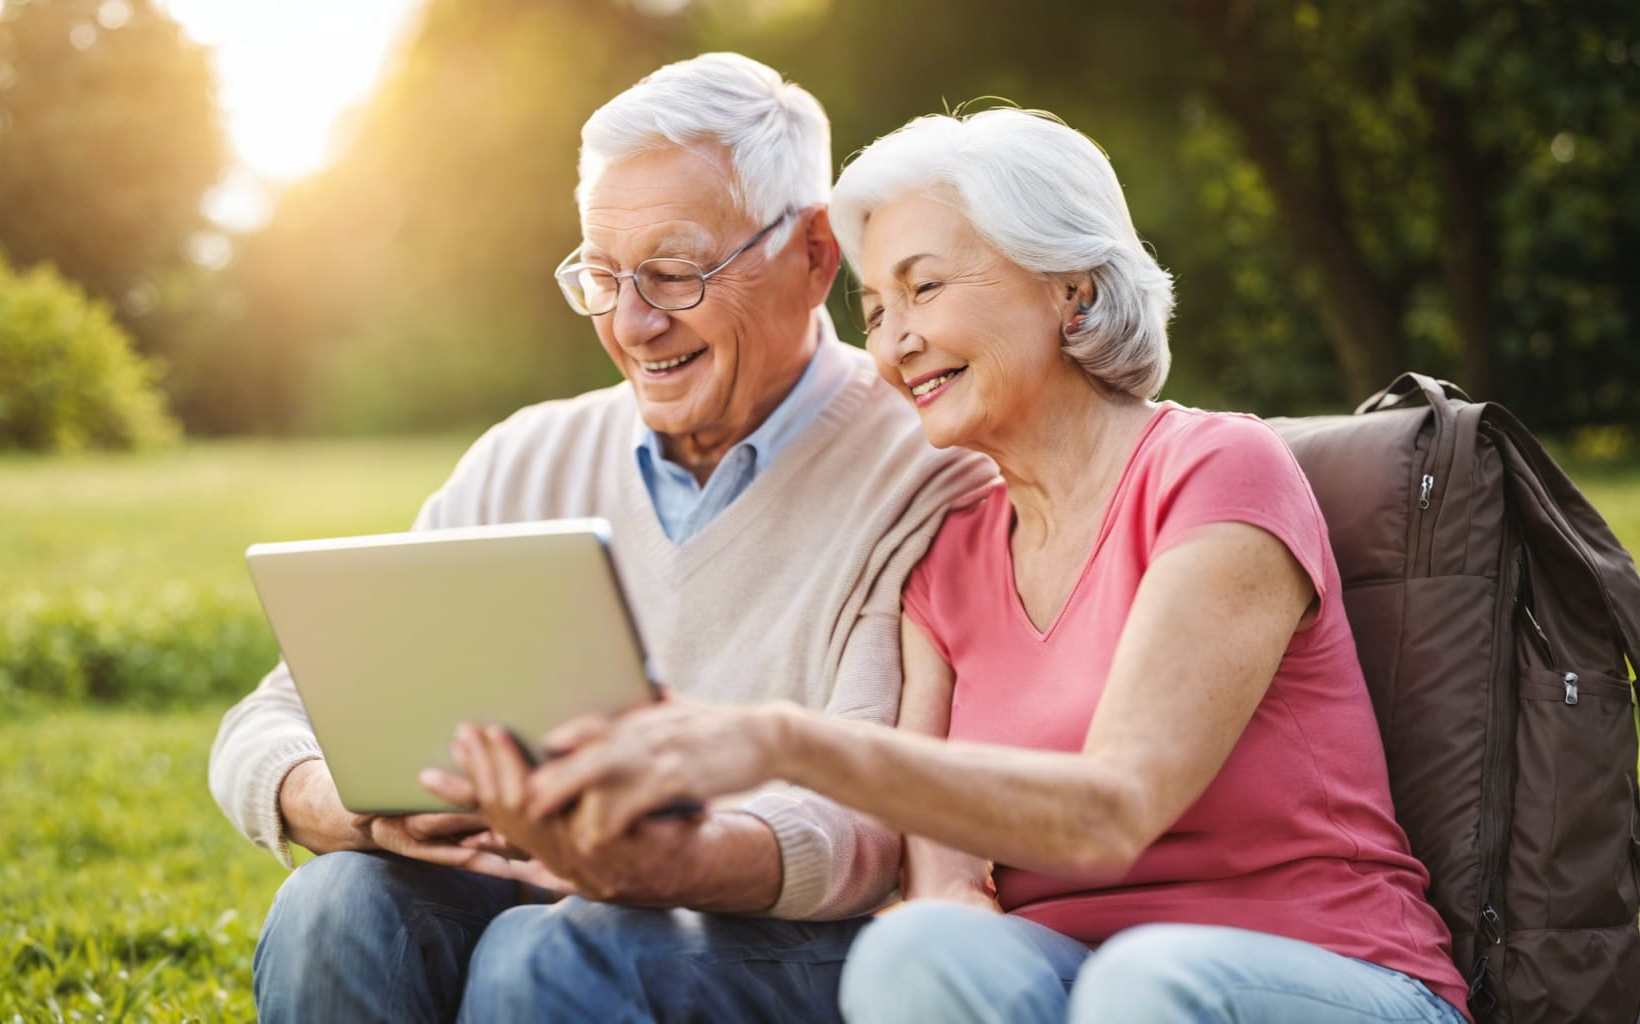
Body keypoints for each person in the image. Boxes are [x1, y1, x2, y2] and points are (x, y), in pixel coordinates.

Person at [496, 108, 1473, 1022]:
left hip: (1327, 973)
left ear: (1071, 292)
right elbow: (948, 884)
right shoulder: (949, 556)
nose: (892, 343)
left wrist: (780, 741)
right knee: (910, 950)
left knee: (1144, 981)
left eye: (923, 288)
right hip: (1071, 986)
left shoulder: (1214, 472)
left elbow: (1112, 809)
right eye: (874, 309)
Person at [206, 54, 997, 1023]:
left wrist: (670, 859)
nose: (631, 321)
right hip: (545, 900)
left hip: (791, 941)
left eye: (673, 272)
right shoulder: (524, 457)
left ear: (812, 254)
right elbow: (269, 720)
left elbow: (880, 812)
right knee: (334, 904)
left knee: (550, 955)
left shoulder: (926, 466)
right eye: (602, 274)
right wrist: (348, 808)